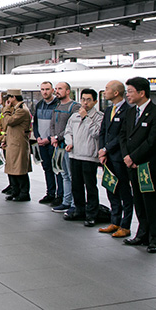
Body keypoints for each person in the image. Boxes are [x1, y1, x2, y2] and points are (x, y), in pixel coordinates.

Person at [119, 77, 156, 253]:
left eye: (130, 91)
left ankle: (154, 238)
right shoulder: (131, 112)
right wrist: (127, 156)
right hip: (132, 165)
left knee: (151, 202)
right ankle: (141, 234)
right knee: (139, 201)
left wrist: (133, 157)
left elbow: (152, 141)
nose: (128, 95)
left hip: (147, 166)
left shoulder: (154, 112)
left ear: (142, 93)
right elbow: (123, 136)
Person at [63, 88, 103, 225]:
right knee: (76, 185)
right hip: (74, 155)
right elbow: (68, 131)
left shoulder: (99, 116)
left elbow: (96, 133)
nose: (85, 103)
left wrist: (86, 117)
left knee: (90, 186)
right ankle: (79, 210)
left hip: (89, 157)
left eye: (88, 100)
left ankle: (92, 214)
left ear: (95, 101)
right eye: (83, 99)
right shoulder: (74, 116)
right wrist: (69, 143)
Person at [98, 80, 132, 238]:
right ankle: (115, 221)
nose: (104, 92)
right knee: (111, 189)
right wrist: (101, 149)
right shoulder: (108, 110)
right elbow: (103, 131)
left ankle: (126, 225)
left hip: (119, 157)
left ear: (116, 92)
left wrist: (106, 149)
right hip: (108, 158)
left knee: (124, 191)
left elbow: (121, 136)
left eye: (106, 89)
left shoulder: (128, 111)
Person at [50, 82, 80, 213]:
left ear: (68, 91)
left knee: (72, 175)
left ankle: (74, 203)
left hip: (69, 146)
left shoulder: (74, 107)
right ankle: (66, 202)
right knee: (64, 175)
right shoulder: (57, 106)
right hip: (59, 146)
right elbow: (52, 124)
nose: (57, 91)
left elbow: (71, 127)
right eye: (56, 89)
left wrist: (57, 137)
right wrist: (52, 137)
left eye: (60, 89)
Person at [33, 81, 63, 205]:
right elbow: (35, 123)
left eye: (47, 89)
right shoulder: (39, 104)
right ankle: (50, 193)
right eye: (42, 89)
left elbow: (60, 125)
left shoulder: (58, 105)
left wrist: (50, 138)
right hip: (42, 143)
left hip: (54, 143)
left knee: (57, 169)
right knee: (47, 168)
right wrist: (38, 137)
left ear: (52, 91)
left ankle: (60, 195)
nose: (44, 92)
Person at [1, 89, 32, 201]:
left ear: (14, 97)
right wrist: (4, 138)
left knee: (19, 169)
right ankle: (15, 191)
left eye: (9, 97)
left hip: (18, 144)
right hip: (12, 142)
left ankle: (24, 193)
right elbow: (7, 126)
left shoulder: (21, 110)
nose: (7, 100)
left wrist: (6, 110)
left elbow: (9, 121)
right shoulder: (15, 109)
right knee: (12, 169)